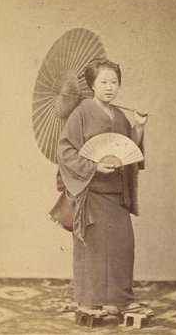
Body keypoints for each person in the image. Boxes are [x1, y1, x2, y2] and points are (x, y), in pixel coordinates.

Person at [56, 58, 148, 314]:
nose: (109, 87)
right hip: (91, 193)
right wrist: (94, 166)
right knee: (93, 249)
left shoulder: (119, 115)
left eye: (114, 82)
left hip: (116, 193)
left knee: (122, 247)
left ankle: (120, 299)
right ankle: (89, 301)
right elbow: (65, 151)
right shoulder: (82, 113)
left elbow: (131, 151)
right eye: (103, 82)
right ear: (92, 85)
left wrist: (139, 126)